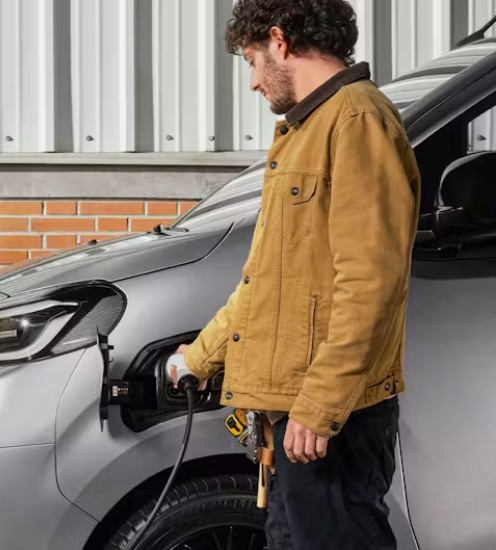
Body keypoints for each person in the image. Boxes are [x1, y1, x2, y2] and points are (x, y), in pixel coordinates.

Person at [169, 0, 421, 548]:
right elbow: (267, 281)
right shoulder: (308, 129)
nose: (255, 83)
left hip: (330, 419)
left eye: (252, 61)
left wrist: (319, 406)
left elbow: (370, 283)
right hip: (295, 414)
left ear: (279, 41)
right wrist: (199, 356)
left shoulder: (356, 120)